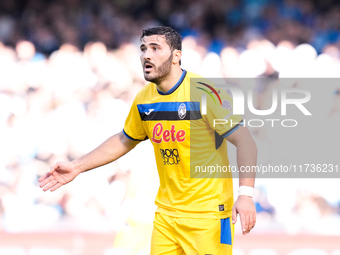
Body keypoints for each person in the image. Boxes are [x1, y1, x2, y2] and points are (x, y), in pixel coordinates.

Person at [39, 26, 257, 255]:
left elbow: (245, 142)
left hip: (208, 216)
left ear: (176, 56)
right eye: (143, 49)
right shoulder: (144, 99)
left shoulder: (204, 93)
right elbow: (125, 139)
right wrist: (76, 166)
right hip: (166, 216)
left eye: (155, 48)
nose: (146, 55)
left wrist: (246, 195)